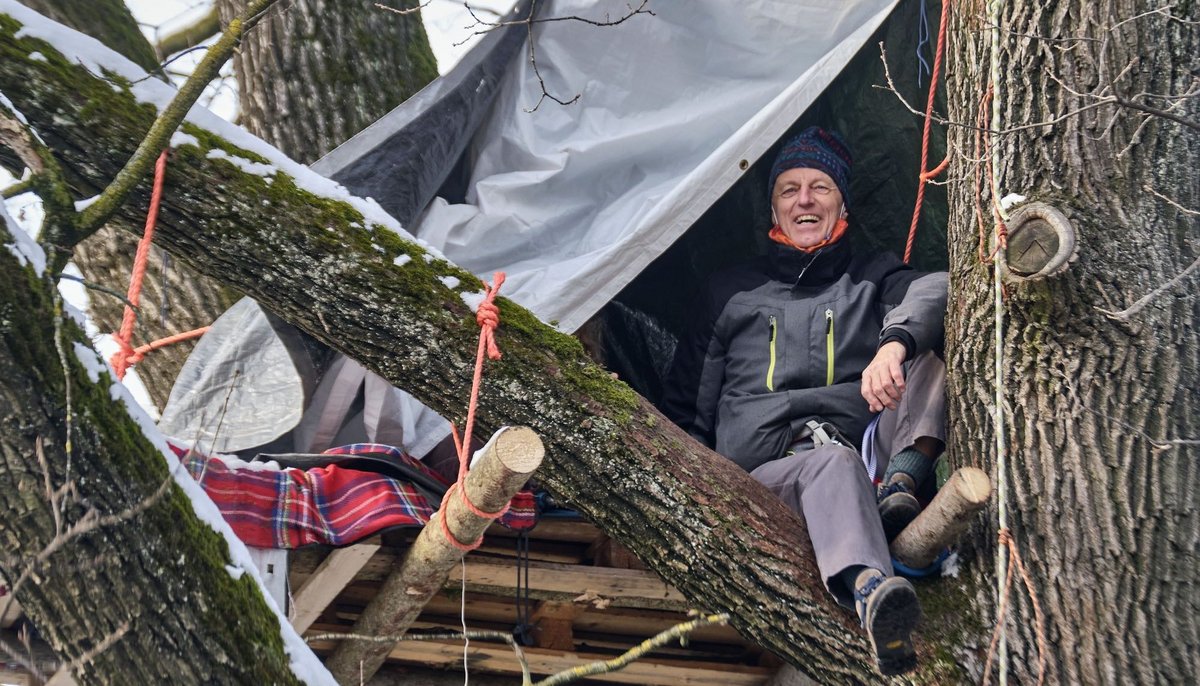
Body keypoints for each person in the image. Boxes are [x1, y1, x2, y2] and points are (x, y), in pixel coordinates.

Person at [662, 126, 948, 675]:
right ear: (773, 209)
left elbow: (937, 288)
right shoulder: (729, 292)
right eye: (789, 189)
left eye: (820, 187)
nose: (805, 200)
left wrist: (893, 345)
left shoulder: (872, 276)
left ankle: (903, 486)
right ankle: (872, 594)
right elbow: (686, 412)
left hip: (870, 459)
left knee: (928, 347)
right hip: (767, 479)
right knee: (830, 465)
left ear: (842, 202)